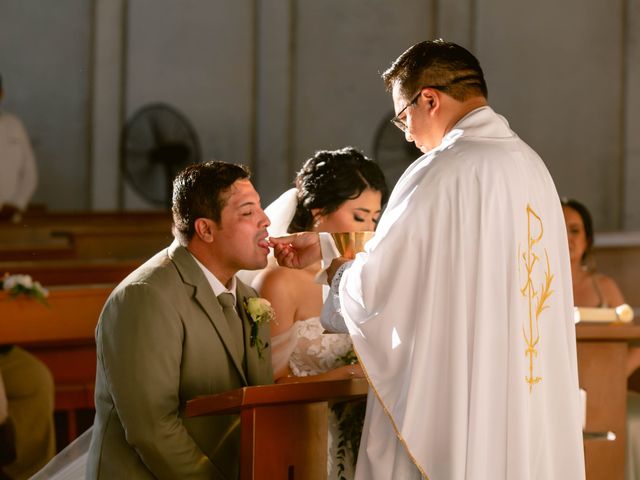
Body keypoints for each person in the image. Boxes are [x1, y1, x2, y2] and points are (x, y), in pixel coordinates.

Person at [272, 39, 585, 479]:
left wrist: (334, 266)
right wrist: (327, 246)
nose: (408, 135)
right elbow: (441, 264)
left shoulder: (441, 169)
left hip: (461, 403)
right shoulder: (532, 168)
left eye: (403, 118)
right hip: (521, 396)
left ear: (429, 100)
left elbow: (380, 287)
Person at [83, 161, 274, 478]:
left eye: (261, 207)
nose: (265, 220)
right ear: (206, 229)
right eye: (248, 212)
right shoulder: (145, 296)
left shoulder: (248, 298)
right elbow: (152, 428)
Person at [249, 147, 388, 479]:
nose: (369, 229)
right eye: (359, 216)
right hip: (306, 436)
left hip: (367, 434)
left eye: (375, 217)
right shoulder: (280, 281)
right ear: (318, 212)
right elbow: (269, 384)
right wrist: (347, 376)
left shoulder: (366, 277)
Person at [561, 198, 625, 308]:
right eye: (559, 229)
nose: (566, 238)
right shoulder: (535, 287)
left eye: (575, 230)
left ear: (587, 240)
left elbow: (626, 325)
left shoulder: (605, 288)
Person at [0, 74, 38, 222]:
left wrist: (16, 204)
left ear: (1, 93)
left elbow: (30, 174)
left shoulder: (14, 125)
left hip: (11, 217)